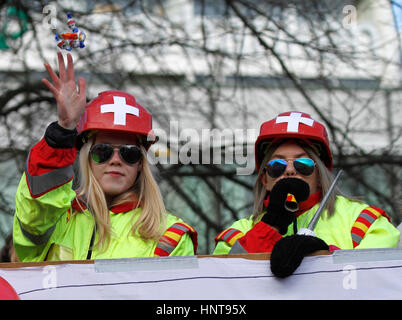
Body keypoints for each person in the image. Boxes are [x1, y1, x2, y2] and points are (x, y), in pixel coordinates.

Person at [13, 52, 197, 261]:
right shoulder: (56, 219)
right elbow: (36, 211)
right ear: (87, 158)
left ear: (140, 165)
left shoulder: (170, 236)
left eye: (130, 153)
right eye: (103, 151)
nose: (116, 160)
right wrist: (62, 132)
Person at [214, 111, 400, 277]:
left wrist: (323, 255)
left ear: (320, 175)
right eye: (276, 166)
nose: (289, 171)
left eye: (303, 164)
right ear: (265, 179)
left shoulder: (365, 221)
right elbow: (225, 282)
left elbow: (377, 280)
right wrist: (270, 225)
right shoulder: (239, 232)